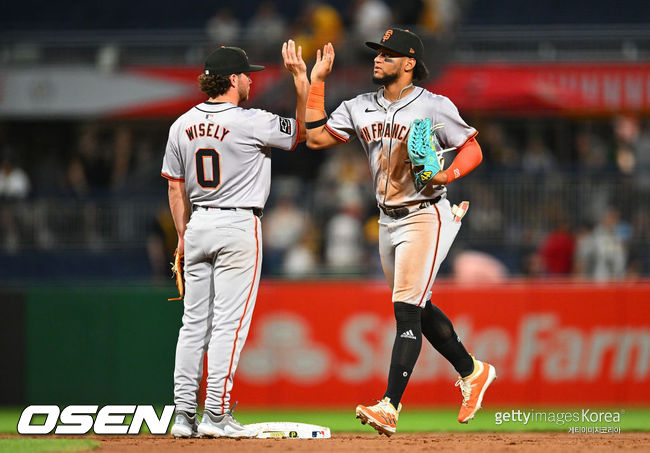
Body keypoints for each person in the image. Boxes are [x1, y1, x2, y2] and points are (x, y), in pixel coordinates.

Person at [304, 28, 496, 436]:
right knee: (418, 307)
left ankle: (390, 405)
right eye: (377, 53)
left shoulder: (433, 105)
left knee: (405, 308)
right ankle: (472, 370)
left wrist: (448, 172)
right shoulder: (359, 106)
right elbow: (316, 137)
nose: (378, 59)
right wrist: (316, 82)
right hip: (386, 220)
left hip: (425, 213)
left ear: (409, 63)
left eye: (388, 54)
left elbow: (473, 148)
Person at [161, 41, 308, 438]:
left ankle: (182, 416)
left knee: (192, 325)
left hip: (197, 226)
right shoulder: (250, 120)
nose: (250, 79)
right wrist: (301, 84)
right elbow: (299, 134)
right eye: (247, 74)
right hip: (238, 224)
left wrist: (181, 236)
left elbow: (176, 190)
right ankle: (217, 414)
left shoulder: (180, 125)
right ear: (231, 80)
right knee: (229, 325)